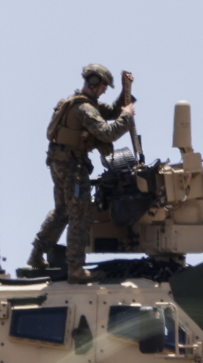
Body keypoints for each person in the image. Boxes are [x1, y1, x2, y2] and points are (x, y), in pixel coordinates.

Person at [27, 64, 136, 282]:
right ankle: (76, 269)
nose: (104, 91)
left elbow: (112, 112)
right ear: (97, 84)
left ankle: (36, 256)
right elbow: (107, 133)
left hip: (59, 164)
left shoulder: (76, 103)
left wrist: (126, 92)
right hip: (73, 169)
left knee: (62, 212)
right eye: (104, 88)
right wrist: (126, 118)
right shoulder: (85, 109)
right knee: (80, 215)